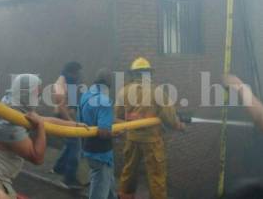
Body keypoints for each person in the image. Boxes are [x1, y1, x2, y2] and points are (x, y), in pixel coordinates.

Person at [0, 74, 86, 199]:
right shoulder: (8, 124)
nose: (39, 99)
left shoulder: (12, 103)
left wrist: (75, 125)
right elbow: (37, 157)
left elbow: (44, 120)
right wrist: (40, 128)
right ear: (25, 93)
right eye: (36, 95)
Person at [115, 57, 185, 199]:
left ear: (133, 74)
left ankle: (125, 196)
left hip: (132, 139)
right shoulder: (156, 92)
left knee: (128, 171)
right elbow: (170, 117)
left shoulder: (123, 91)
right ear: (149, 74)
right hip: (152, 141)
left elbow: (118, 115)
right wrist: (179, 125)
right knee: (156, 175)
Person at [79, 68, 118, 199]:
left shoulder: (86, 95)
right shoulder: (104, 101)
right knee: (99, 192)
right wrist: (117, 133)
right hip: (101, 154)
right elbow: (103, 132)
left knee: (109, 187)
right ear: (109, 84)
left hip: (88, 149)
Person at [52, 61, 84, 188]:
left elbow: (70, 103)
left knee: (71, 144)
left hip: (66, 115)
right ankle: (68, 179)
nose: (78, 75)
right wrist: (71, 122)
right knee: (75, 145)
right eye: (76, 73)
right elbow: (61, 107)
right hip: (63, 117)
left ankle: (58, 168)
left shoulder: (68, 82)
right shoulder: (60, 85)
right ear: (70, 72)